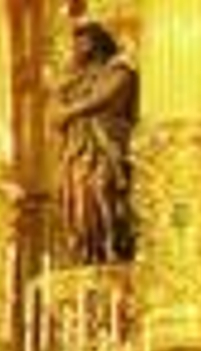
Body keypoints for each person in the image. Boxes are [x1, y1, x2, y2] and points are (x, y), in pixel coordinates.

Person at [52, 20, 138, 265]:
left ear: (98, 41)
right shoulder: (74, 81)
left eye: (83, 39)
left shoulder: (119, 70)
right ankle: (85, 250)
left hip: (106, 144)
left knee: (101, 188)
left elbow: (106, 96)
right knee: (74, 193)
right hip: (76, 149)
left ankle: (111, 247)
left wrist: (71, 111)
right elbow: (53, 114)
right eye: (75, 41)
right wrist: (62, 94)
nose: (77, 46)